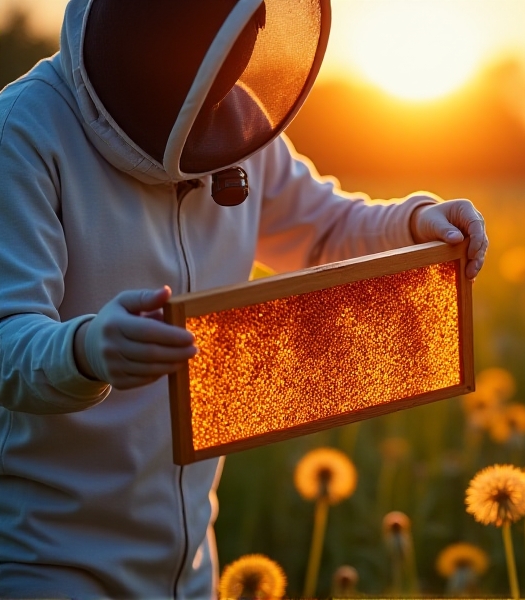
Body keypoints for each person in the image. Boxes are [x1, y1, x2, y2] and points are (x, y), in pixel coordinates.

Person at [0, 0, 488, 597]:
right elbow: (6, 337)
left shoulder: (235, 123)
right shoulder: (22, 132)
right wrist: (86, 350)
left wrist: (417, 223)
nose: (241, 52)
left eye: (251, 26)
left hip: (191, 563)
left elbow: (324, 232)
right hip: (47, 563)